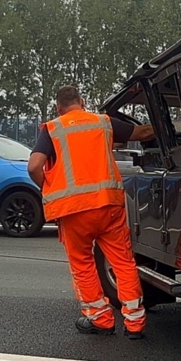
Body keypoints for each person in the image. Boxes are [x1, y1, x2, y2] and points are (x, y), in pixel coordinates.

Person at [28, 85, 155, 339]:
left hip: (74, 211)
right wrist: (173, 125)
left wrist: (49, 187)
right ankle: (135, 324)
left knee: (83, 265)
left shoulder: (53, 129)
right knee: (123, 262)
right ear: (82, 101)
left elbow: (34, 166)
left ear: (58, 107)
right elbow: (142, 132)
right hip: (108, 205)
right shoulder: (104, 123)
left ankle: (101, 320)